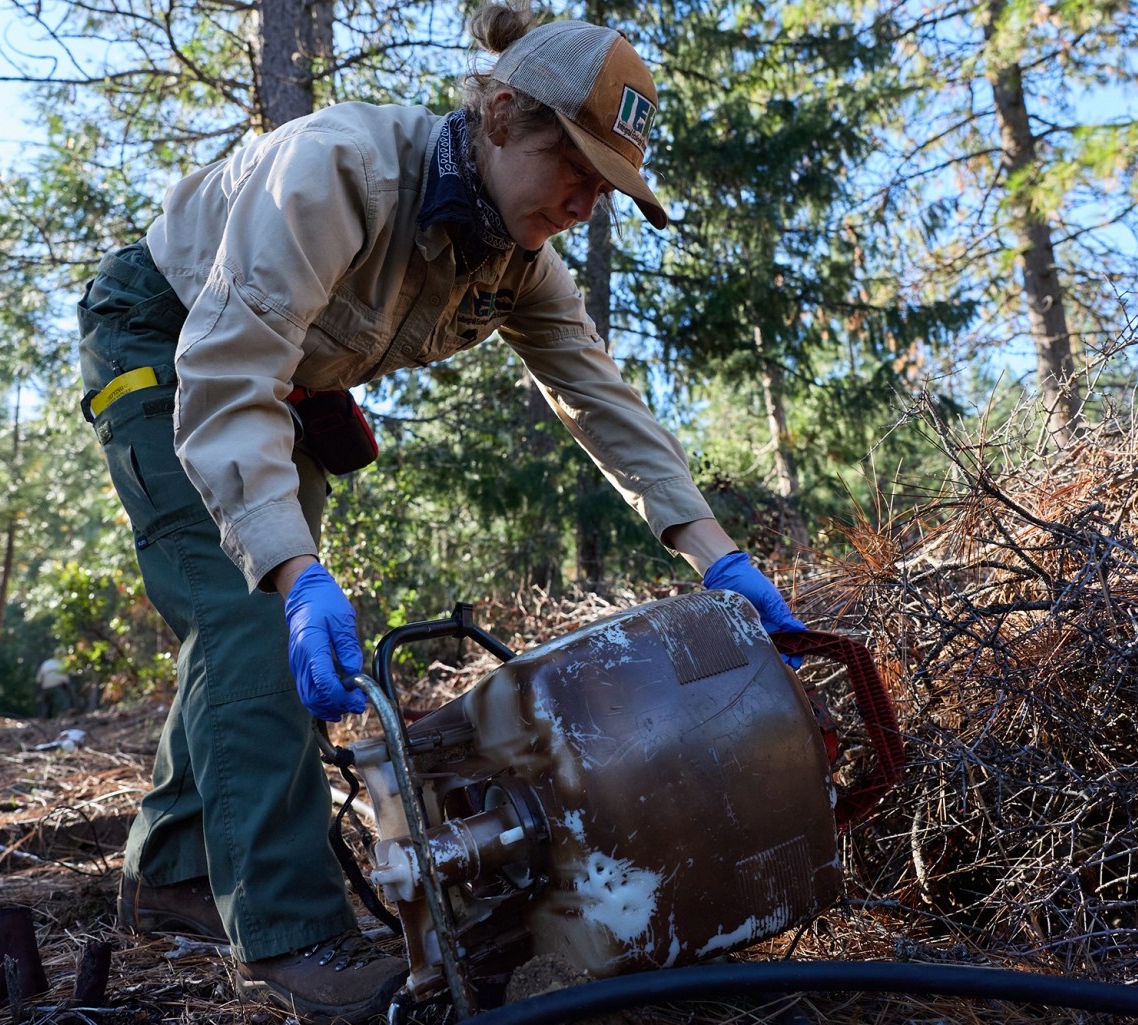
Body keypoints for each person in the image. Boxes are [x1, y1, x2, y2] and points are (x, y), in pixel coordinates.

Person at [76, 4, 805, 1022]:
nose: (587, 205)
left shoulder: (519, 262)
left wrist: (716, 556)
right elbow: (226, 372)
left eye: (608, 186)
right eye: (579, 172)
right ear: (504, 116)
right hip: (170, 344)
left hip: (285, 382)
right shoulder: (337, 173)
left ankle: (172, 868)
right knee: (249, 599)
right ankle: (296, 935)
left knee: (249, 607)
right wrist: (290, 570)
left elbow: (604, 402)